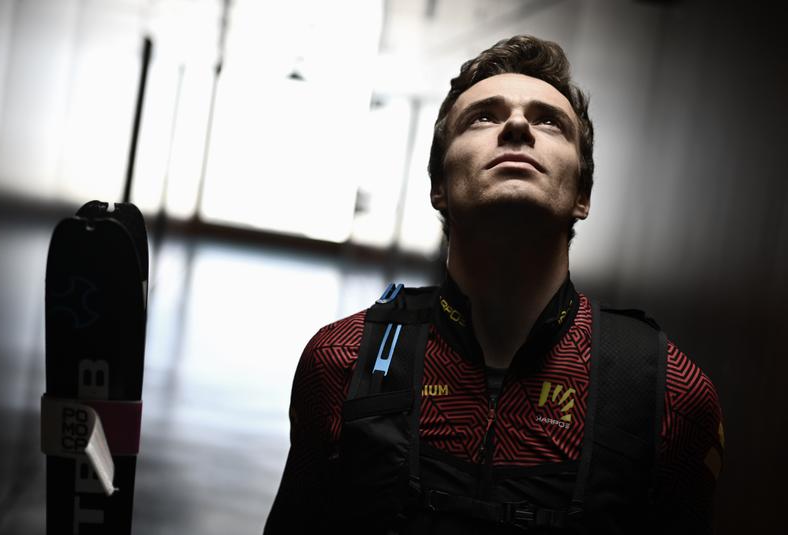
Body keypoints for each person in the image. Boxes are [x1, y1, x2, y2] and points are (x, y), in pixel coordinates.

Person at [264, 35, 723, 534]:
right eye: (483, 116)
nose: (519, 125)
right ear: (438, 187)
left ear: (582, 196)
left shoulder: (669, 391)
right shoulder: (343, 360)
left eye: (550, 121)